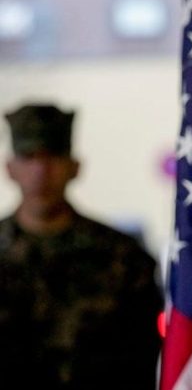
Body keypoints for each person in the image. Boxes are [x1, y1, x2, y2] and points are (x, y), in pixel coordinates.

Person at [0, 103, 162, 389]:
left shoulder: (123, 257)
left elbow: (143, 359)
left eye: (53, 157)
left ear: (75, 168)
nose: (41, 171)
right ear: (10, 169)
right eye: (29, 157)